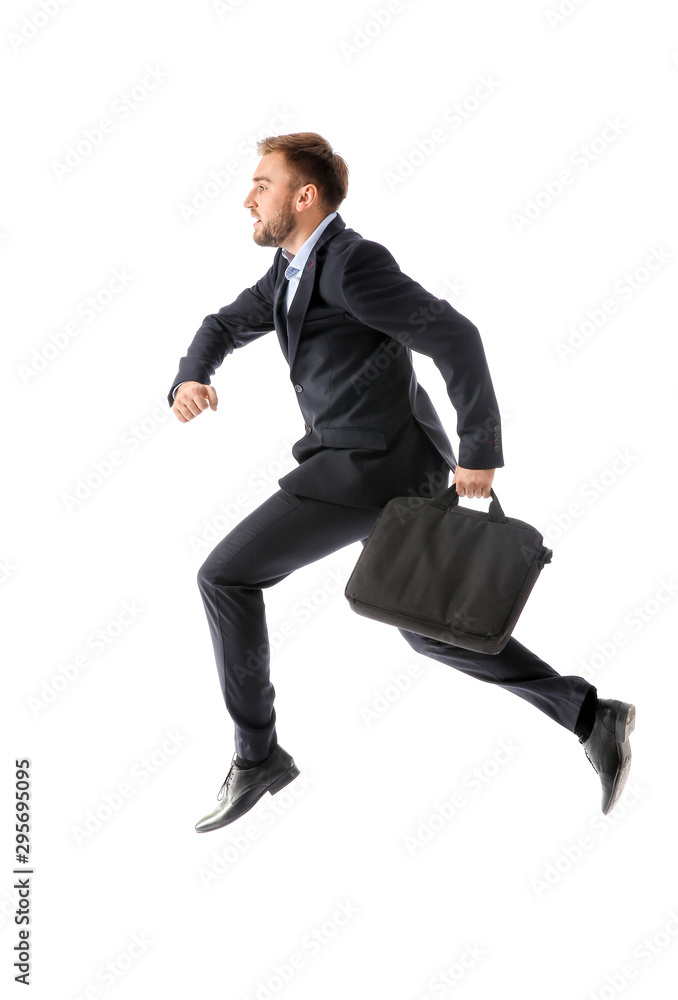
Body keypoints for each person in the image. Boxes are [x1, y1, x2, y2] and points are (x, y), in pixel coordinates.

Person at [167, 132, 635, 833]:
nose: (248, 197)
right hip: (385, 466)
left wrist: (480, 448)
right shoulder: (291, 271)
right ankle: (590, 715)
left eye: (262, 184)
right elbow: (221, 323)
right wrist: (191, 374)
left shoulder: (351, 263)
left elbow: (455, 336)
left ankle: (257, 755)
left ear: (305, 195)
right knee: (431, 626)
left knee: (225, 576)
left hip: (370, 467)